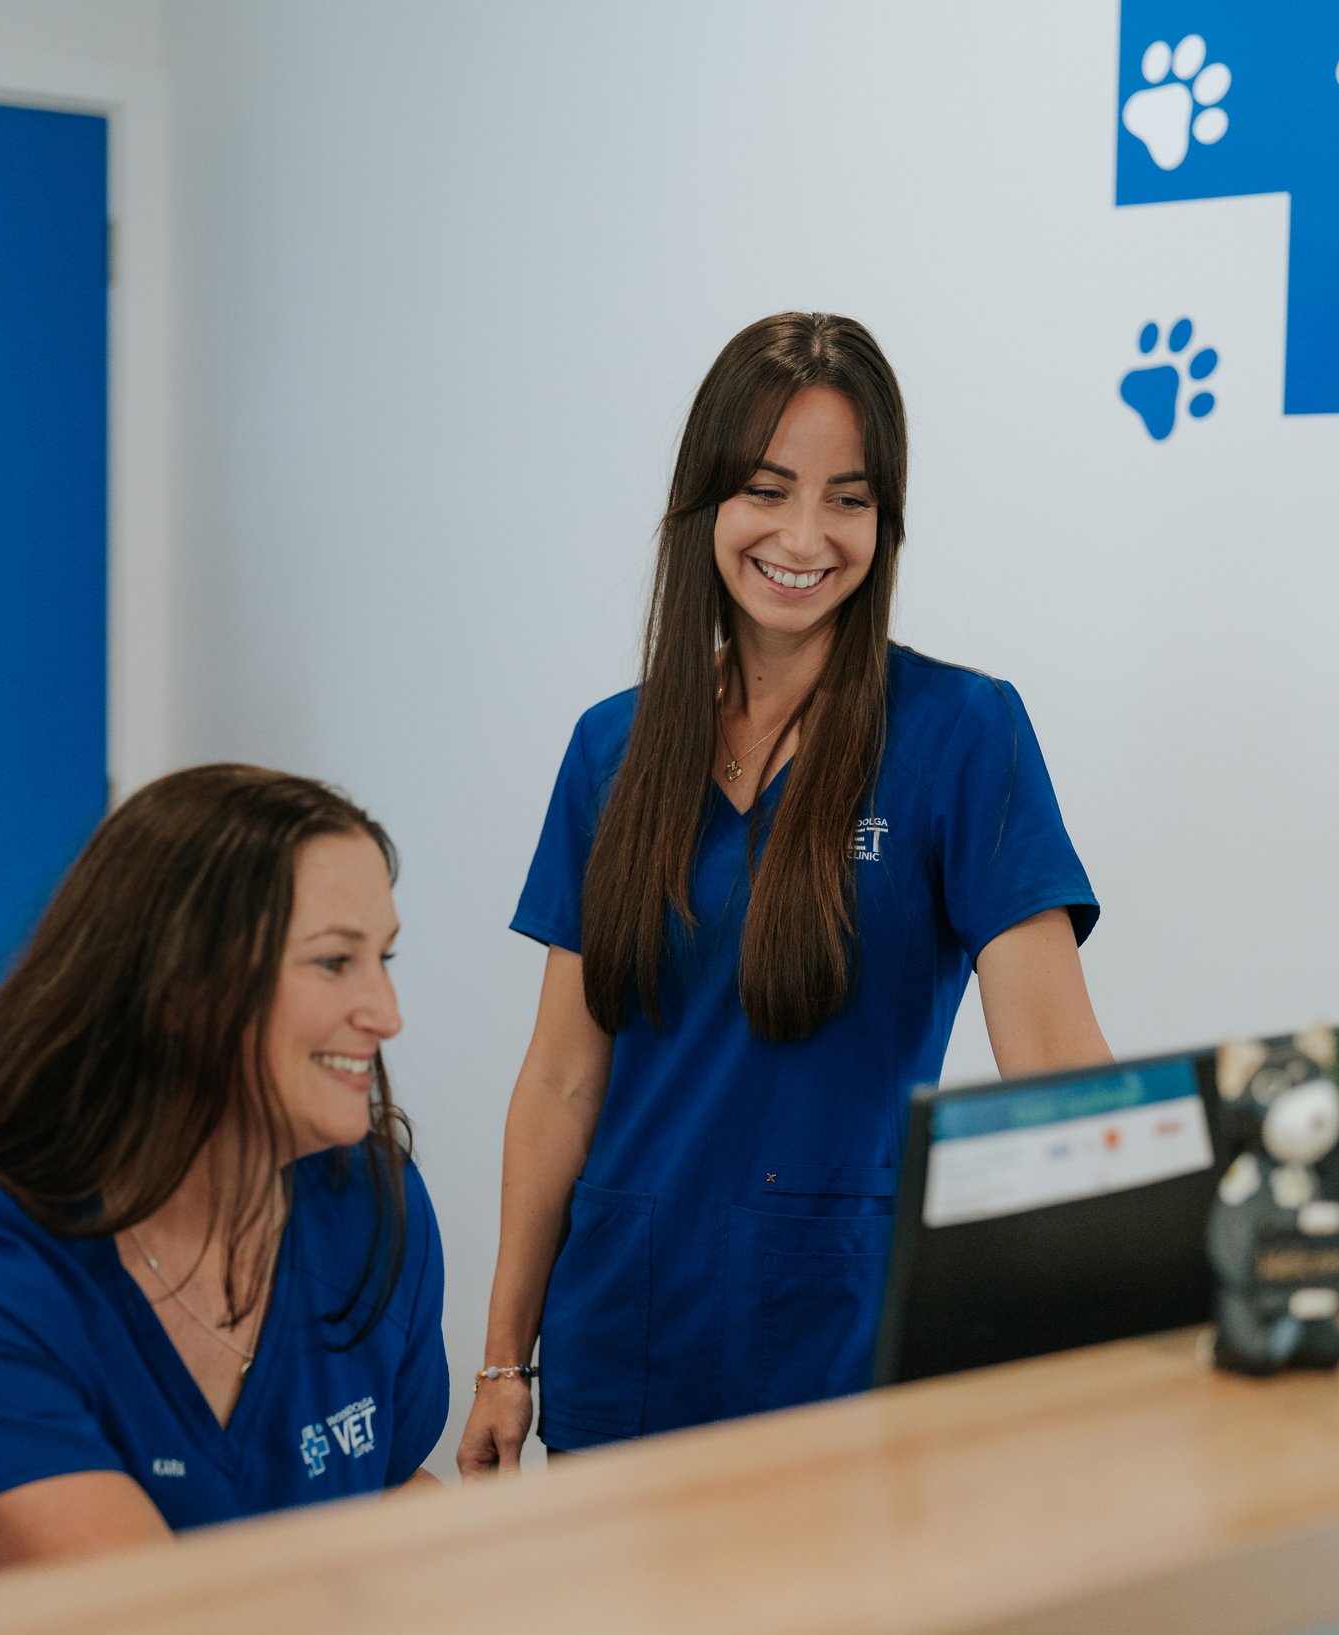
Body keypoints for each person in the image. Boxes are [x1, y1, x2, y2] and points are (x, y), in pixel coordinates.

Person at [460, 313, 1110, 1469]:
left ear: (884, 521)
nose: (805, 534)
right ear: (706, 503)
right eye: (767, 489)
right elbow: (562, 1077)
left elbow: (1055, 1058)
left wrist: (1131, 1303)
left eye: (848, 498)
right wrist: (505, 1355)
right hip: (627, 1332)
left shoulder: (964, 735)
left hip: (842, 1340)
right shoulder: (610, 751)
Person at [0, 765, 446, 1604]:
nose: (386, 1010)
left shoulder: (365, 1207)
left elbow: (396, 1495)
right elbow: (149, 1626)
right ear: (180, 988)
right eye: (334, 961)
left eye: (383, 957)